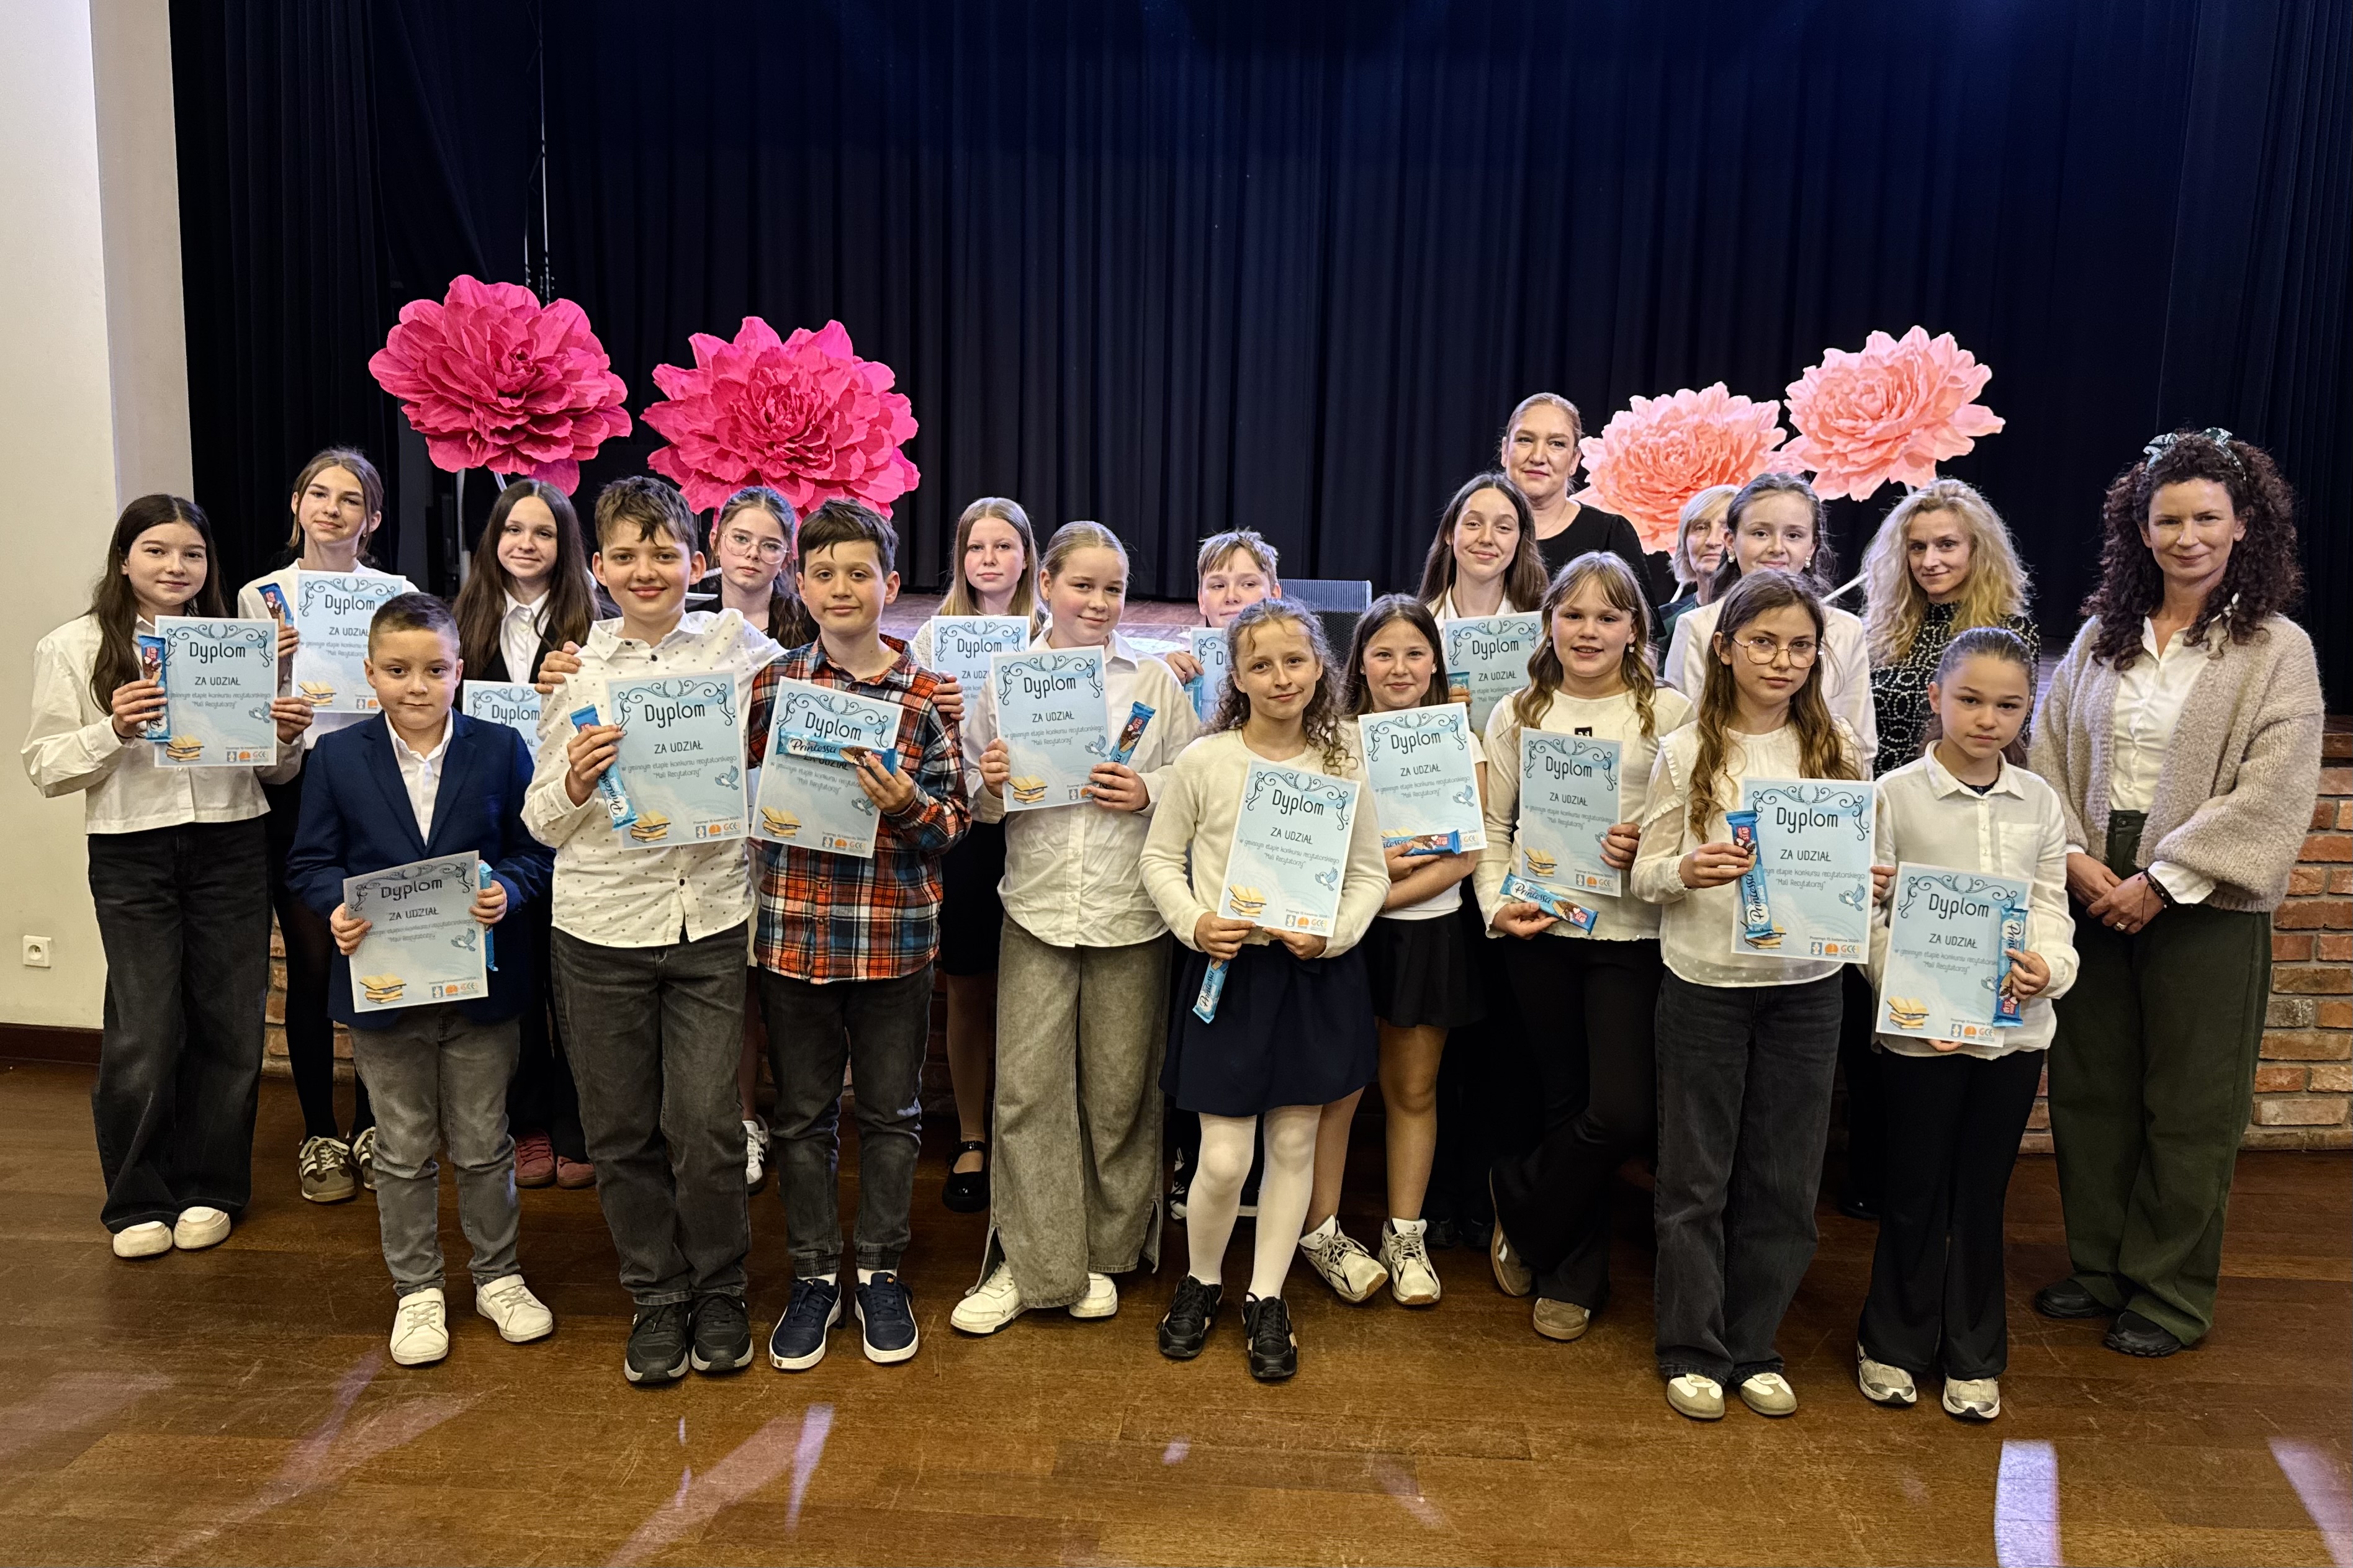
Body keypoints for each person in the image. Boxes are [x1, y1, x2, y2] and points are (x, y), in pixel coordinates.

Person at [2029, 429, 2324, 1358]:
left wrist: (2163, 878)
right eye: (2167, 520)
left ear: (2242, 525)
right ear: (2139, 529)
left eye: (2205, 518)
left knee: (2191, 1103)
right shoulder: (2099, 639)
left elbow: (2274, 788)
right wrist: (2070, 856)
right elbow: (2045, 754)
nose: (2186, 536)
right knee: (2091, 1089)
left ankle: (2166, 1291)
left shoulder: (2274, 648)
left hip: (2203, 894)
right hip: (2092, 879)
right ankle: (2099, 1267)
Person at [523, 474, 781, 1386]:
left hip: (708, 917)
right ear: (597, 567)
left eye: (664, 553)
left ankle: (720, 1288)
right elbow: (539, 821)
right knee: (620, 1128)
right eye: (626, 556)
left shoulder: (741, 651)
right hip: (600, 925)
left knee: (706, 1124)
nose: (646, 570)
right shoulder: (575, 671)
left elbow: (827, 682)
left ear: (695, 562)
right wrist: (574, 781)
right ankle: (656, 1291)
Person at [24, 495, 313, 1258]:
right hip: (132, 848)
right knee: (144, 1027)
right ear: (124, 559)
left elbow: (276, 773)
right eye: (156, 550)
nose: (175, 566)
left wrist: (286, 736)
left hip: (231, 840)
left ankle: (212, 1187)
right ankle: (138, 1197)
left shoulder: (237, 644)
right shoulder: (73, 646)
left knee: (230, 1023)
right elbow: (45, 768)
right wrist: (114, 728)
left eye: (192, 553)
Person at [286, 593, 557, 1366]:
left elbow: (535, 849)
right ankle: (418, 1289)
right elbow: (309, 862)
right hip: (384, 993)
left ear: (459, 672)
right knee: (403, 1148)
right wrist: (337, 905)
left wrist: (509, 889)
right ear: (371, 673)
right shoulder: (336, 757)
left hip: (482, 989)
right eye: (399, 670)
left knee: (483, 1142)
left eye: (435, 670)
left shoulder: (500, 747)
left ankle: (498, 1276)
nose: (417, 686)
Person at [951, 520, 1197, 1334]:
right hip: (1037, 906)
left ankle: (1103, 1254)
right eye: (1082, 585)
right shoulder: (1008, 679)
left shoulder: (1153, 680)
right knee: (1026, 1092)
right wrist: (989, 783)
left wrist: (1150, 789)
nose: (1098, 601)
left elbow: (1195, 779)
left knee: (1120, 1094)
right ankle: (1032, 1263)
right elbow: (978, 798)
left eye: (1112, 588)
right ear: (1047, 585)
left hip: (1131, 911)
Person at [1633, 569, 1862, 1421]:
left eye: (1800, 645)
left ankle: (1754, 1342)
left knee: (1784, 1177)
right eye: (1762, 641)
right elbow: (1645, 871)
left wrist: (1867, 881)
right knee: (1695, 1177)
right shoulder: (1685, 749)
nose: (1781, 659)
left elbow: (1852, 866)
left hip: (1807, 990)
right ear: (1723, 648)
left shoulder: (1837, 749)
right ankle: (1691, 1346)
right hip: (1705, 983)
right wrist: (1685, 870)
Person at [1141, 601, 1387, 1380]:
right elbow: (1158, 860)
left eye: (1294, 661)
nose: (1280, 677)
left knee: (1291, 1145)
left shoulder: (1343, 762)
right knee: (1221, 1159)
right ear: (1237, 678)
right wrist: (1193, 921)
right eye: (1260, 665)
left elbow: (1369, 875)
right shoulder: (1204, 761)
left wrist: (1333, 933)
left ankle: (1266, 1295)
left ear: (1320, 668)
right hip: (1229, 975)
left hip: (1312, 974)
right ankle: (1200, 1279)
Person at [750, 500, 968, 1373]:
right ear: (799, 587)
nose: (841, 588)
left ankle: (879, 1269)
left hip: (891, 941)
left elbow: (953, 822)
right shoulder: (771, 687)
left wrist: (906, 804)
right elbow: (734, 796)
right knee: (802, 1118)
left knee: (891, 1114)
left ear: (891, 584)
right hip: (793, 938)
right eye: (824, 573)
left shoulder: (924, 696)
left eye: (859, 573)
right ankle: (813, 1274)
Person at [1854, 627, 2075, 1420]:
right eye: (1970, 700)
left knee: (1981, 1193)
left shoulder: (2039, 801)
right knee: (1912, 1188)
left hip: (2013, 1035)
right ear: (1935, 698)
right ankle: (1890, 1341)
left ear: (2026, 710)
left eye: (2007, 706)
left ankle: (1974, 1351)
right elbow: (1870, 918)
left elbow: (2049, 905)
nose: (1987, 719)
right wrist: (1911, 997)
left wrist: (2049, 967)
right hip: (1919, 1034)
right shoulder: (1892, 794)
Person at [1481, 553, 1693, 1342]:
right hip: (1538, 929)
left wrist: (1644, 843)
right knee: (1564, 1102)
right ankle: (1574, 1275)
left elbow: (1689, 827)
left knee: (1620, 1112)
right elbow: (1493, 829)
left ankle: (1518, 1194)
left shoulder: (1669, 714)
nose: (1588, 631)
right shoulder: (1519, 710)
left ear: (1635, 628)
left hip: (1629, 933)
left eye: (1608, 616)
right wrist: (1494, 905)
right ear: (1549, 623)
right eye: (1572, 614)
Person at [1840, 477, 2040, 1219]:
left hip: (1967, 827)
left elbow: (2011, 740)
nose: (1929, 559)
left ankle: (1945, 1182)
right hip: (1885, 824)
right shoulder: (1878, 627)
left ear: (1977, 547)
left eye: (1946, 544)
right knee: (1874, 1004)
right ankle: (1877, 1175)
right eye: (1916, 546)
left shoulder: (2008, 628)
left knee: (1953, 1001)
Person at [1292, 596, 1486, 1309]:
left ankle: (1405, 1236)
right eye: (1382, 653)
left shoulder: (1460, 742)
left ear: (1434, 662)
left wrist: (1375, 893)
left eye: (1413, 653)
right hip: (1345, 936)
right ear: (1358, 663)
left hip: (1423, 932)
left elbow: (1463, 856)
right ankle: (1321, 1233)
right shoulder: (1330, 742)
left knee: (1412, 1090)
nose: (1398, 667)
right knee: (1333, 1091)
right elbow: (1314, 840)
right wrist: (1362, 898)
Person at [240, 449, 412, 1205]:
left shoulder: (395, 593)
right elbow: (244, 715)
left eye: (350, 499)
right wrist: (277, 679)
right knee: (311, 964)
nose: (332, 508)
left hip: (378, 780)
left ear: (371, 518)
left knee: (375, 953)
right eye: (319, 493)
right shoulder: (259, 597)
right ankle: (319, 1131)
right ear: (296, 503)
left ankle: (374, 1124)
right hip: (298, 786)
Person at [452, 479, 600, 1192]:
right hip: (490, 824)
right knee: (510, 977)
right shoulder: (461, 619)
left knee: (570, 983)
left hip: (572, 818)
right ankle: (527, 1122)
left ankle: (578, 1125)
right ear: (494, 538)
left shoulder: (594, 625)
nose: (526, 544)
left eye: (543, 532)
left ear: (565, 544)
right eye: (514, 529)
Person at [907, 496, 1045, 1215]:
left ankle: (1029, 1132)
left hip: (1038, 826)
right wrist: (938, 715)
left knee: (1034, 985)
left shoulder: (1053, 632)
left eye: (1002, 546)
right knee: (966, 985)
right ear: (960, 559)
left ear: (1027, 557)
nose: (988, 559)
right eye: (975, 547)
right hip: (966, 830)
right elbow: (910, 736)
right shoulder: (933, 638)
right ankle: (971, 1133)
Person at [1163, 528, 1284, 1222]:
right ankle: (1193, 1158)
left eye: (1247, 582)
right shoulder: (1173, 669)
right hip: (1201, 885)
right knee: (1200, 1030)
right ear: (1200, 599)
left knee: (1262, 1034)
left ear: (1274, 590)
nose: (1233, 594)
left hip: (1274, 881)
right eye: (1217, 584)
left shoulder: (1293, 673)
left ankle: (1257, 1168)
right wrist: (1166, 679)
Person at [700, 486, 811, 1198]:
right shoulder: (683, 620)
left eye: (769, 543)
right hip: (705, 833)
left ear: (786, 556)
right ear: (715, 539)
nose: (752, 554)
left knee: (784, 985)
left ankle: (799, 1120)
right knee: (729, 985)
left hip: (787, 830)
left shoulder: (805, 632)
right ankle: (738, 1119)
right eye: (741, 538)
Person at [1662, 473, 1878, 773]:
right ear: (1731, 543)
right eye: (1760, 533)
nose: (1777, 547)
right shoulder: (1698, 627)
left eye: (1794, 535)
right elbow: (1684, 735)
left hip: (1814, 793)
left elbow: (1859, 746)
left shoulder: (1845, 630)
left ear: (1812, 547)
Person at [1498, 392, 1661, 593]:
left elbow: (1641, 614)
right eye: (1525, 440)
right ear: (1505, 451)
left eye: (1557, 444)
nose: (1538, 457)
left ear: (1574, 460)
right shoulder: (1472, 532)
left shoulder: (1609, 535)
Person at [1418, 472, 1548, 620]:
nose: (1486, 538)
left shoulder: (1542, 626)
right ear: (1449, 533)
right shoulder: (1420, 626)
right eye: (1473, 524)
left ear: (1520, 541)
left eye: (1503, 528)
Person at [1654, 485, 1735, 652]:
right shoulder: (1661, 623)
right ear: (1684, 542)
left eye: (1726, 528)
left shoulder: (1762, 618)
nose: (1712, 541)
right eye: (1701, 528)